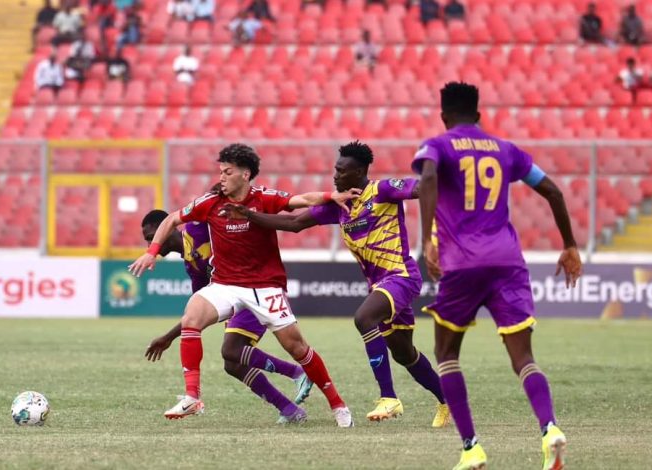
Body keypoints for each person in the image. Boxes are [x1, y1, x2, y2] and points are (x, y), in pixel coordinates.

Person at [411, 82, 582, 470]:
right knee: (524, 358)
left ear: (443, 116)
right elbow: (553, 191)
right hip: (508, 262)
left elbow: (429, 179)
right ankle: (550, 428)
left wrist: (426, 242)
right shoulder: (507, 150)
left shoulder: (436, 145)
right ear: (480, 114)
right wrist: (570, 244)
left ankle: (471, 448)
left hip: (462, 263)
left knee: (446, 354)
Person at [223, 141, 451, 427]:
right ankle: (447, 400)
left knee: (364, 318)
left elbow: (421, 188)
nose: (336, 176)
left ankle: (389, 397)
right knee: (404, 352)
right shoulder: (339, 207)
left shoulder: (383, 191)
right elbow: (294, 223)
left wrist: (444, 188)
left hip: (401, 275)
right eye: (335, 169)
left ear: (360, 171)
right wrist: (250, 215)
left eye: (342, 171)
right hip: (379, 285)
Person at [129, 144, 358, 427]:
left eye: (228, 172)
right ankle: (192, 397)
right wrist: (151, 253)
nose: (221, 177)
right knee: (193, 318)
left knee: (296, 347)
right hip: (226, 285)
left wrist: (330, 196)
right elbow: (173, 218)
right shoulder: (209, 203)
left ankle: (338, 405)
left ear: (245, 174)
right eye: (220, 172)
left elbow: (300, 200)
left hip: (265, 287)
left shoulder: (263, 198)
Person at [141, 209, 313, 423]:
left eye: (151, 238)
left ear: (165, 228)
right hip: (236, 299)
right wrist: (168, 337)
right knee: (232, 364)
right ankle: (290, 410)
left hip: (253, 287)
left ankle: (297, 373)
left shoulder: (197, 226)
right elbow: (199, 311)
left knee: (231, 350)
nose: (151, 246)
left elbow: (216, 204)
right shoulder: (191, 264)